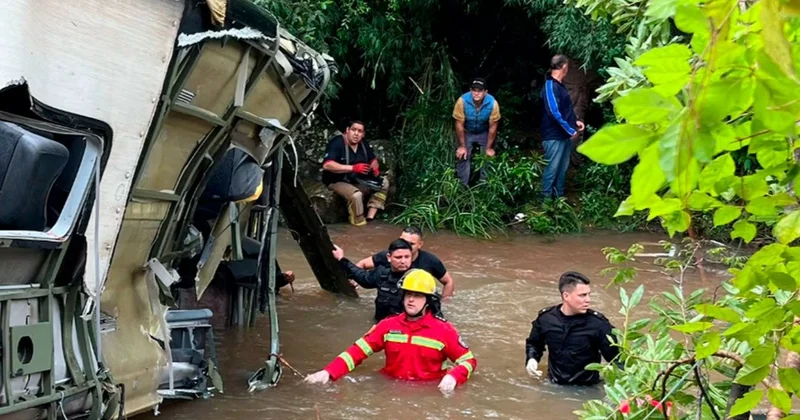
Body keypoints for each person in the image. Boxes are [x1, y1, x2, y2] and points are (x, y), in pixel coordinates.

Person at [304, 269, 476, 395]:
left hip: (428, 392)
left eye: (417, 296)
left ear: (428, 301)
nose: (410, 300)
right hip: (389, 389)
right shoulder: (387, 325)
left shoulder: (444, 330)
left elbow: (469, 361)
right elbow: (356, 352)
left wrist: (453, 377)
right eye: (408, 294)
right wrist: (328, 372)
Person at [524, 271, 619, 386]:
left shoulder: (598, 324)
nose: (588, 300)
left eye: (589, 294)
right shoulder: (546, 319)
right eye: (582, 295)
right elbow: (534, 344)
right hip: (553, 384)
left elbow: (617, 360)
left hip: (587, 389)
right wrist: (532, 359)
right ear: (566, 296)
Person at [354, 226, 455, 298]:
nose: (406, 246)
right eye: (403, 241)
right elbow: (362, 264)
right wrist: (354, 281)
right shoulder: (390, 256)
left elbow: (448, 281)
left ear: (420, 244)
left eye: (411, 244)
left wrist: (445, 302)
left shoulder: (430, 261)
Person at [321, 120, 389, 226]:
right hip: (337, 179)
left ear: (363, 134)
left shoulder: (363, 144)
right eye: (353, 130)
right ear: (347, 130)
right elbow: (327, 165)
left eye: (360, 131)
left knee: (384, 183)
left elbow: (372, 159)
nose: (356, 133)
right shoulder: (337, 143)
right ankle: (359, 223)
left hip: (357, 178)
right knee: (357, 196)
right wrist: (353, 168)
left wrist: (374, 167)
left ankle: (370, 217)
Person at [333, 239, 415, 321]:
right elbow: (362, 277)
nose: (403, 261)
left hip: (405, 327)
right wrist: (341, 259)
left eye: (407, 257)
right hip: (380, 324)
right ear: (389, 258)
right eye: (398, 257)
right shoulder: (382, 273)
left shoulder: (419, 278)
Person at [540, 55, 585, 200]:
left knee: (562, 168)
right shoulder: (550, 86)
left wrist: (575, 121)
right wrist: (570, 130)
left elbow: (566, 109)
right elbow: (553, 111)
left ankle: (559, 199)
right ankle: (546, 201)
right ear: (564, 67)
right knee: (552, 168)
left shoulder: (560, 85)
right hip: (553, 135)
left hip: (563, 135)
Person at [452, 77, 501, 185]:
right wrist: (462, 146)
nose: (476, 93)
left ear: (485, 92)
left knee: (487, 157)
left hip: (484, 131)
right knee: (463, 155)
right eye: (474, 90)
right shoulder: (462, 101)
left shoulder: (492, 103)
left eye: (479, 91)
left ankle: (485, 185)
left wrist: (489, 148)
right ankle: (462, 186)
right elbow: (459, 123)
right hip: (467, 130)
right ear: (470, 90)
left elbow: (493, 127)